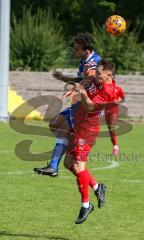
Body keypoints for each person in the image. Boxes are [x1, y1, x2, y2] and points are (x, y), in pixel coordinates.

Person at [34, 33, 101, 177]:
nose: (74, 51)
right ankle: (72, 144)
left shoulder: (95, 61)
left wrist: (76, 88)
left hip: (88, 108)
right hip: (79, 105)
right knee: (54, 123)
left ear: (86, 50)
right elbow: (81, 78)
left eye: (77, 49)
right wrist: (63, 78)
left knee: (64, 127)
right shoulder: (84, 61)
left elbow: (91, 78)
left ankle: (53, 166)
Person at [63, 59, 116, 224]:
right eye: (97, 72)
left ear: (109, 75)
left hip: (88, 130)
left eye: (100, 74)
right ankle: (97, 187)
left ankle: (86, 205)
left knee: (79, 166)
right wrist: (75, 89)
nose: (97, 76)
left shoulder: (109, 91)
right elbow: (87, 80)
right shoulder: (97, 78)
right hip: (79, 124)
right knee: (68, 163)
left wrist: (83, 94)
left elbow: (90, 107)